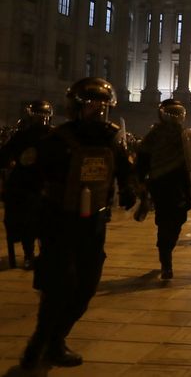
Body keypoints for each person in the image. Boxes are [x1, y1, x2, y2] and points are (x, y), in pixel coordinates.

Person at [20, 78, 137, 370]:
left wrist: (131, 189)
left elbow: (124, 168)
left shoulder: (110, 138)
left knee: (86, 285)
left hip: (93, 222)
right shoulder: (58, 140)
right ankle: (41, 344)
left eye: (103, 108)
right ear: (77, 109)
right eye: (91, 107)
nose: (98, 114)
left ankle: (55, 338)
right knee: (58, 285)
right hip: (58, 220)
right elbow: (30, 177)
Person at [137, 99, 191, 280]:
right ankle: (165, 259)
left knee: (178, 220)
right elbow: (142, 160)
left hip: (180, 185)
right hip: (161, 184)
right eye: (172, 113)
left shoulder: (186, 136)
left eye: (178, 113)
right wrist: (140, 182)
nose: (176, 118)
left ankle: (166, 247)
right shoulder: (154, 135)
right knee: (164, 220)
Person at [0, 101, 53, 269]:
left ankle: (29, 254)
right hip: (43, 186)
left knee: (24, 217)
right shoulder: (55, 136)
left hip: (28, 186)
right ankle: (37, 254)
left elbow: (4, 158)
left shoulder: (21, 136)